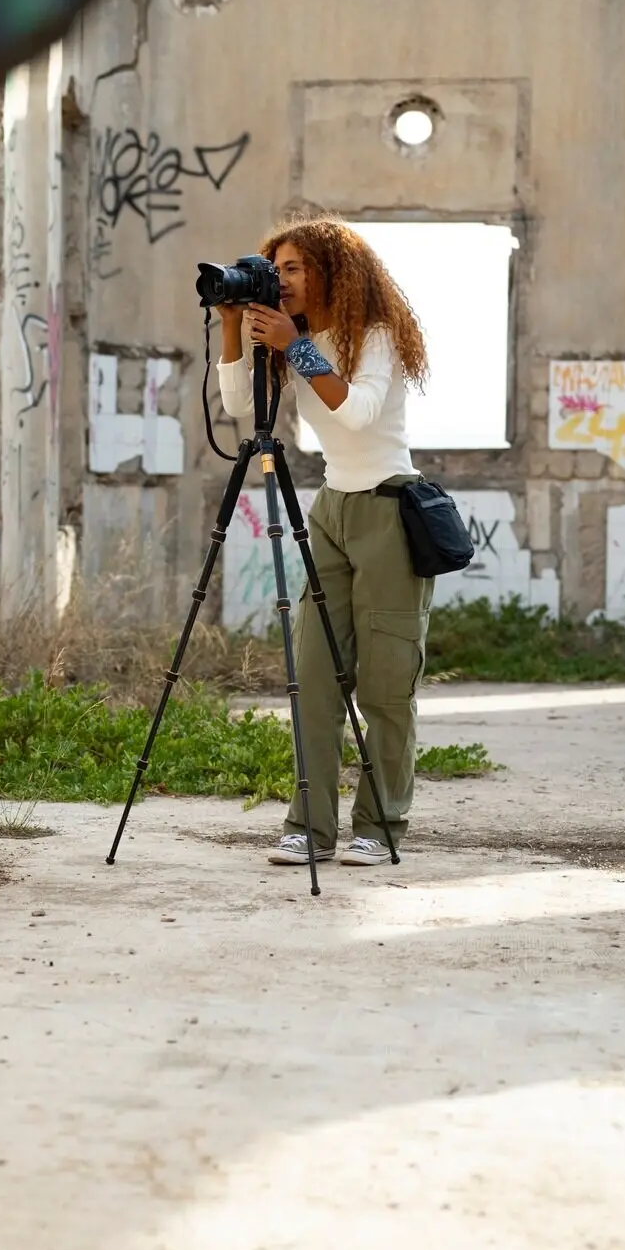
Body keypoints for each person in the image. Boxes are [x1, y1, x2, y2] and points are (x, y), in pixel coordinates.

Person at [217, 215, 431, 868]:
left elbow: (357, 410)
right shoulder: (289, 339)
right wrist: (231, 323)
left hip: (391, 510)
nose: (280, 280)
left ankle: (379, 823)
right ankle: (308, 827)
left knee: (386, 686)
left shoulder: (374, 336)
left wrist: (297, 347)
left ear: (330, 272)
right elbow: (232, 406)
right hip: (331, 511)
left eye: (293, 268)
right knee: (312, 676)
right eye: (273, 268)